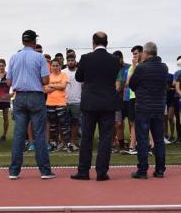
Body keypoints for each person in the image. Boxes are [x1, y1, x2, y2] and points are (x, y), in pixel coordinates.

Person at [71, 31, 121, 182]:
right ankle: (101, 172)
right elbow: (114, 78)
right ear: (107, 43)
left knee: (87, 138)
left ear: (93, 43)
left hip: (90, 103)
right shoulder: (114, 60)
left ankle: (83, 171)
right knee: (105, 139)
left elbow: (79, 77)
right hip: (108, 103)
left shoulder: (86, 58)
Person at [7, 30, 55, 180]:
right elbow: (46, 80)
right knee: (39, 134)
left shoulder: (14, 57)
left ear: (23, 41)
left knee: (19, 135)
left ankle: (14, 171)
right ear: (34, 42)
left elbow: (9, 82)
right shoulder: (39, 57)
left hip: (19, 96)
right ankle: (45, 171)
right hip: (36, 96)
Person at [129, 42, 168, 179]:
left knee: (143, 139)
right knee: (158, 140)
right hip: (158, 107)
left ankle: (142, 170)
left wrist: (135, 67)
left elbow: (132, 85)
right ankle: (160, 170)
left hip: (143, 107)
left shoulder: (141, 68)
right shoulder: (164, 67)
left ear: (146, 53)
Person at [45, 59, 70, 151]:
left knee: (64, 125)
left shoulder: (64, 75)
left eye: (57, 65)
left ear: (60, 66)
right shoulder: (48, 77)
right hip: (50, 103)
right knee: (53, 126)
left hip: (61, 103)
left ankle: (66, 144)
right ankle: (54, 144)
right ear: (50, 66)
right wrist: (57, 86)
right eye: (53, 65)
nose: (55, 67)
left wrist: (51, 86)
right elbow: (45, 90)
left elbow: (63, 87)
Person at [123, 45, 143, 155]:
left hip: (141, 97)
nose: (134, 56)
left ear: (141, 53)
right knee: (133, 123)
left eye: (136, 53)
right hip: (132, 97)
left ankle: (151, 145)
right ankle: (132, 146)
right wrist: (134, 67)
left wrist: (136, 67)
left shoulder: (144, 65)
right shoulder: (132, 67)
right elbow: (127, 83)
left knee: (144, 122)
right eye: (133, 54)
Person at [63, 54, 81, 151]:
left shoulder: (80, 72)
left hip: (77, 101)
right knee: (64, 124)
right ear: (66, 61)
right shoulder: (63, 72)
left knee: (75, 123)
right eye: (69, 60)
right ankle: (64, 143)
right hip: (64, 101)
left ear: (75, 60)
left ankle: (73, 142)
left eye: (72, 60)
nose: (70, 62)